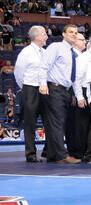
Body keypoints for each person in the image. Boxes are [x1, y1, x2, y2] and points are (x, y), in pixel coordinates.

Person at [38, 24, 81, 164]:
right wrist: (43, 84)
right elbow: (44, 65)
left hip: (65, 91)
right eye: (71, 32)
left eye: (76, 32)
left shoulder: (71, 52)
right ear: (63, 34)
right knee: (57, 123)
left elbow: (71, 76)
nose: (74, 34)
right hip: (54, 89)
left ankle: (52, 154)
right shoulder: (56, 47)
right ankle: (61, 156)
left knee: (57, 123)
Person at [13, 25, 48, 162]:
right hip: (30, 88)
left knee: (49, 121)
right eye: (44, 34)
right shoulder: (26, 52)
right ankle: (31, 154)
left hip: (44, 89)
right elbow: (18, 73)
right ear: (38, 36)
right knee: (30, 123)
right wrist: (26, 87)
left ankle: (47, 151)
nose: (46, 36)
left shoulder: (45, 53)